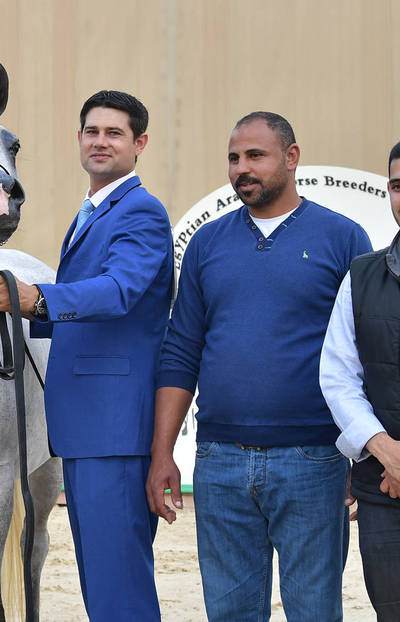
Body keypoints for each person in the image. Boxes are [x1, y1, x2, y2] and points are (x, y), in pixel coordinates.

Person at [147, 112, 372, 621]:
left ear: (291, 158)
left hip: (315, 461)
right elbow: (181, 352)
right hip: (219, 461)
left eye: (255, 156)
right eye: (233, 158)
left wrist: (361, 455)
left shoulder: (343, 238)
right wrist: (163, 453)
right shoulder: (207, 243)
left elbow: (364, 354)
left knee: (314, 612)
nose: (241, 169)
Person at [0, 91, 173, 621]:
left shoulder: (140, 211)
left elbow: (119, 291)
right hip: (89, 429)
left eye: (114, 133)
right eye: (92, 131)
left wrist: (37, 299)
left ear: (140, 143)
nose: (100, 142)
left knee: (118, 593)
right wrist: (22, 309)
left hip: (114, 428)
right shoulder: (95, 210)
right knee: (104, 587)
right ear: (79, 139)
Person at [319, 139, 400, 620]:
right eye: (398, 185)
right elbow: (338, 375)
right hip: (383, 490)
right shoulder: (362, 276)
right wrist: (386, 451)